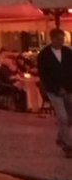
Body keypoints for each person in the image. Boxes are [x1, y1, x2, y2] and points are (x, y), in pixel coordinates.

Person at [37, 28, 72, 157]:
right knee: (62, 117)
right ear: (52, 39)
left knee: (70, 116)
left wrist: (67, 87)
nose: (61, 41)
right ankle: (68, 146)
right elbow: (44, 75)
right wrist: (57, 88)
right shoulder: (44, 55)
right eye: (59, 39)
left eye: (63, 39)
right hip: (54, 91)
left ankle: (61, 137)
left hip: (68, 89)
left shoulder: (68, 52)